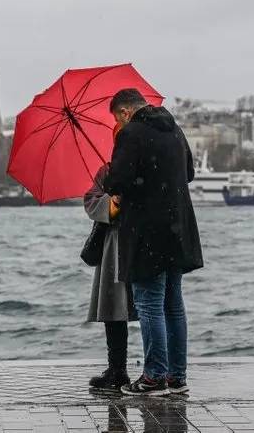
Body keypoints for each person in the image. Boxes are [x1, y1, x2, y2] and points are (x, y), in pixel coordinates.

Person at [103, 88, 203, 396]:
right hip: (178, 228)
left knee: (149, 305)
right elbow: (189, 172)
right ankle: (177, 376)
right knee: (174, 304)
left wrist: (114, 179)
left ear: (124, 112)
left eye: (117, 119)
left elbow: (118, 183)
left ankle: (154, 377)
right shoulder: (175, 128)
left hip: (147, 231)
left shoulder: (131, 133)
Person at [84, 160, 138, 392]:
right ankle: (117, 369)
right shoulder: (107, 170)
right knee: (113, 307)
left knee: (148, 308)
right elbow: (91, 198)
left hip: (135, 240)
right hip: (114, 243)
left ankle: (151, 371)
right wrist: (110, 202)